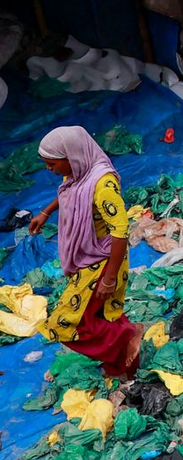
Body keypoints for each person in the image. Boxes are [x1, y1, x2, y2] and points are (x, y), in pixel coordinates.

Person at [28, 127, 141, 379]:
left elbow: (120, 232)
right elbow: (70, 191)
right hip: (87, 255)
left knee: (66, 322)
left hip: (103, 259)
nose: (48, 169)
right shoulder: (78, 173)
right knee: (100, 314)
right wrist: (46, 212)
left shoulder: (103, 184)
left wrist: (109, 278)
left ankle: (128, 336)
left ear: (72, 156)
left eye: (52, 163)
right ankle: (123, 367)